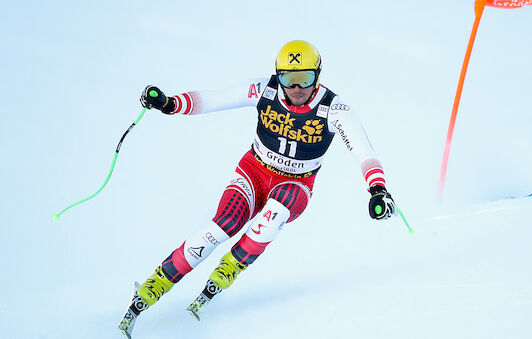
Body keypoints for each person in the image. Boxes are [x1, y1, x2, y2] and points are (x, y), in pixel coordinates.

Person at [119, 40, 396, 337]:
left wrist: (377, 189)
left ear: (318, 74)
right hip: (254, 171)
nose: (297, 88)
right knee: (221, 227)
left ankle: (226, 273)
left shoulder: (335, 108)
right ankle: (153, 285)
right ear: (278, 75)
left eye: (306, 78)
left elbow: (363, 151)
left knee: (274, 214)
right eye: (289, 79)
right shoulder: (263, 89)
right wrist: (170, 104)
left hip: (295, 184)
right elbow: (212, 100)